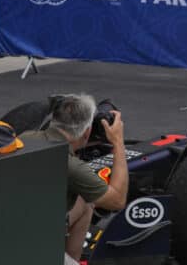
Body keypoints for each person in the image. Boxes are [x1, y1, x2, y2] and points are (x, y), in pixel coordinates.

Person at [20, 94, 128, 263]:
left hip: (11, 227)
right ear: (87, 131)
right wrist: (118, 142)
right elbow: (117, 200)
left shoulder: (24, 137)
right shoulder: (71, 165)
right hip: (29, 248)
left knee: (86, 202)